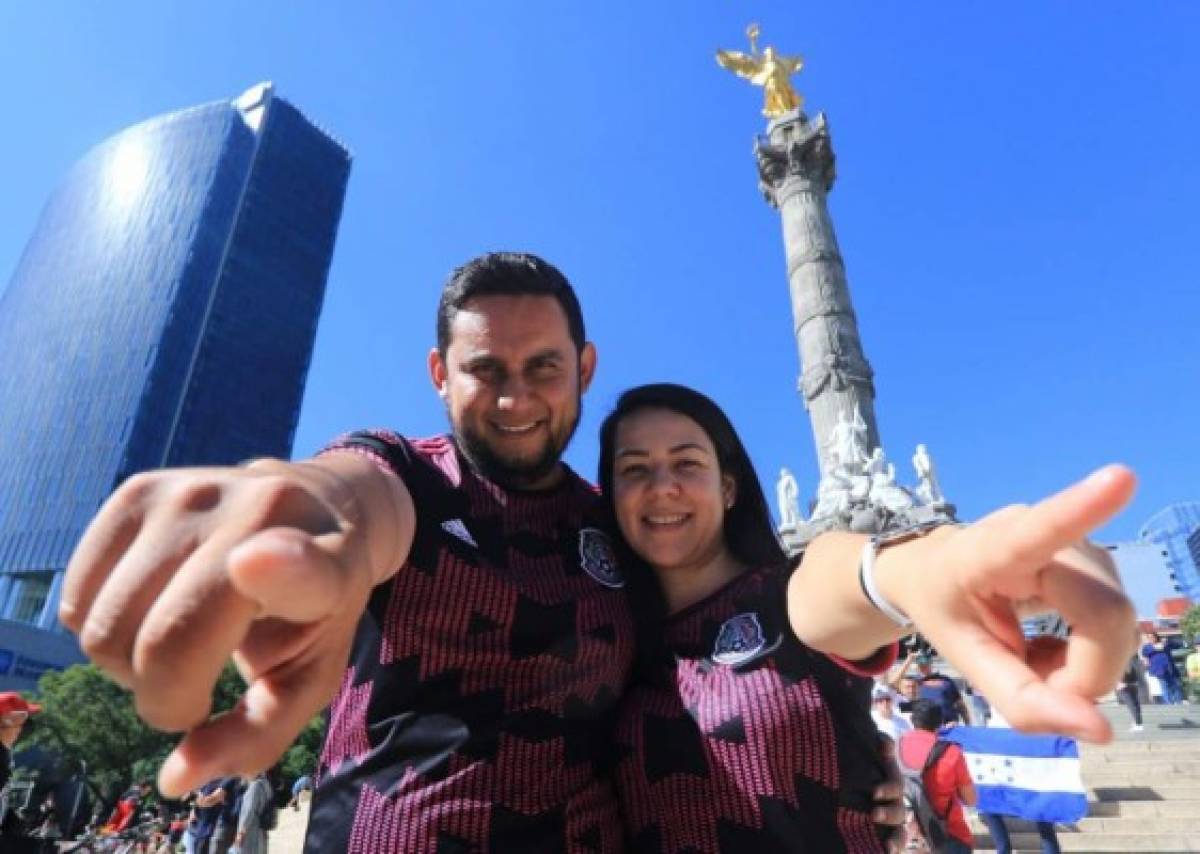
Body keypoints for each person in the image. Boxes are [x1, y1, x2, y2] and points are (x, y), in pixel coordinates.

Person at [60, 252, 1138, 850]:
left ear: (583, 365)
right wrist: (290, 514)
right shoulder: (410, 469)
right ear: (440, 371)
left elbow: (820, 588)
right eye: (487, 368)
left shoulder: (623, 547)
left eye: (543, 365)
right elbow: (351, 498)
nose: (518, 394)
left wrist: (915, 561)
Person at [598, 384, 901, 850]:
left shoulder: (794, 595)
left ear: (728, 487)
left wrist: (968, 566)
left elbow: (881, 578)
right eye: (634, 469)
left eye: (687, 463)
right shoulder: (611, 637)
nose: (661, 487)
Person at [898, 700, 975, 853]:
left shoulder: (895, 746)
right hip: (948, 834)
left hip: (906, 834)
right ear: (939, 723)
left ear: (913, 720)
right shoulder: (951, 752)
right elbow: (970, 799)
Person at [228, 773, 271, 854]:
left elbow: (249, 810)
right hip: (261, 828)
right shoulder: (266, 784)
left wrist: (241, 833)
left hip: (251, 829)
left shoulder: (254, 786)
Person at [1140, 632, 1185, 705]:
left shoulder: (1165, 644)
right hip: (1159, 671)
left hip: (1170, 669)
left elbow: (1178, 645)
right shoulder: (1147, 647)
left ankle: (1179, 702)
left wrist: (1168, 641)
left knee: (1174, 685)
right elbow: (1146, 652)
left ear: (1156, 637)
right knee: (1164, 686)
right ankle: (1169, 703)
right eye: (1149, 637)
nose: (1151, 639)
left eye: (1152, 637)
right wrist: (1158, 646)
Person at [1115, 655, 1143, 732]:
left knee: (1132, 704)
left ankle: (1138, 724)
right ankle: (1138, 722)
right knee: (1135, 703)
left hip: (1125, 684)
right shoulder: (1131, 659)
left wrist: (1120, 682)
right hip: (1131, 682)